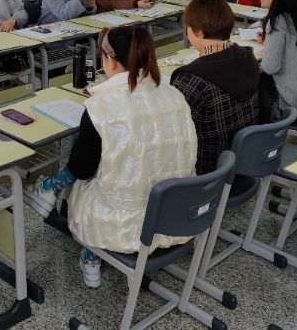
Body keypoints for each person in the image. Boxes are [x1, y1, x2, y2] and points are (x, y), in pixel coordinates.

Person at [25, 26, 197, 288]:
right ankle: (50, 193)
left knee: (89, 178)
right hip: (175, 215)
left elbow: (82, 168)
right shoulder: (174, 95)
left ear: (110, 59)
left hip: (122, 227)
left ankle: (91, 255)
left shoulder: (100, 106)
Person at [171, 0, 259, 174]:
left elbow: (173, 131)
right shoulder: (247, 57)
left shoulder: (192, 80)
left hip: (207, 168)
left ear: (199, 32)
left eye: (189, 27)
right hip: (244, 159)